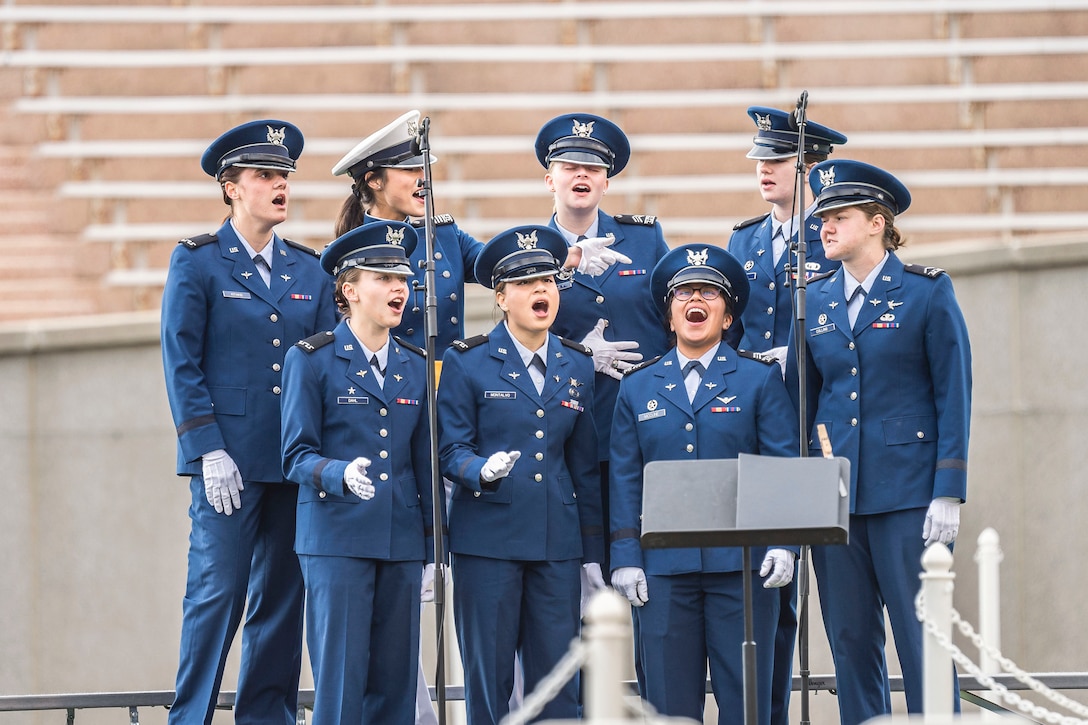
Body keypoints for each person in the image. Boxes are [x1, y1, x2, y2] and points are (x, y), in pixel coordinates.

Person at [160, 119, 336, 724]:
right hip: (227, 462)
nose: (279, 186)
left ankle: (267, 717)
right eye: (265, 176)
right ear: (231, 188)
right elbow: (181, 361)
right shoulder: (198, 263)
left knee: (282, 603)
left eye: (284, 176)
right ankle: (189, 719)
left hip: (290, 460)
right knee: (217, 594)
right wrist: (206, 447)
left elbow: (321, 370)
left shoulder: (310, 271)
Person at [789, 160, 971, 725]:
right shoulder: (812, 299)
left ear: (876, 222)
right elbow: (803, 401)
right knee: (849, 639)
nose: (824, 227)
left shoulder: (925, 292)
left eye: (839, 217)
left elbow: (954, 391)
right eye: (821, 218)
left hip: (907, 493)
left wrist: (949, 487)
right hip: (835, 498)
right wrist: (801, 493)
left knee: (921, 636)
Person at [609, 243, 800, 725]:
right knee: (668, 704)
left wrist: (785, 542)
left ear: (728, 317)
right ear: (670, 317)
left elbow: (782, 464)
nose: (697, 300)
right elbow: (625, 478)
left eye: (710, 293)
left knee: (747, 701)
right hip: (664, 570)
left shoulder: (759, 381)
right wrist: (627, 557)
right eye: (685, 294)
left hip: (742, 567)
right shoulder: (637, 387)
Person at [437, 225, 605, 725]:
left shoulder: (576, 363)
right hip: (487, 542)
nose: (542, 292)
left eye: (549, 281)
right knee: (489, 684)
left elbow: (584, 467)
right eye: (526, 283)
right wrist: (478, 471)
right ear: (502, 297)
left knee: (559, 684)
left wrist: (593, 555)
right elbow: (450, 450)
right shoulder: (466, 362)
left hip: (557, 545)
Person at [280, 220, 437, 724]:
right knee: (342, 682)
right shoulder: (312, 360)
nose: (399, 289)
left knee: (396, 687)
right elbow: (295, 455)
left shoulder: (416, 364)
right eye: (383, 278)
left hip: (400, 540)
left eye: (404, 279)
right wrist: (338, 473)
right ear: (349, 289)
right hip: (337, 539)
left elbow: (423, 462)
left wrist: (434, 550)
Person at [724, 105, 848, 725]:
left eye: (776, 161)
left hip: (810, 422)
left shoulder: (830, 230)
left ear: (809, 165)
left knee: (810, 587)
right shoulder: (744, 238)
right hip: (757, 421)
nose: (764, 171)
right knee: (762, 587)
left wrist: (799, 353)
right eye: (760, 161)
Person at [332, 110, 606, 352]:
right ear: (373, 181)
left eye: (423, 167)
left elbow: (502, 261)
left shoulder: (445, 235)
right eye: (409, 169)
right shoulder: (352, 252)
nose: (422, 178)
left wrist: (569, 254)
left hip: (448, 383)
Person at [535, 112, 671, 578]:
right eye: (570, 167)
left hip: (639, 426)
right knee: (577, 581)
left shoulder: (645, 237)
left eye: (593, 168)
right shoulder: (530, 250)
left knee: (645, 576)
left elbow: (674, 324)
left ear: (606, 181)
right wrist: (579, 357)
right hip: (565, 428)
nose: (581, 176)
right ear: (548, 178)